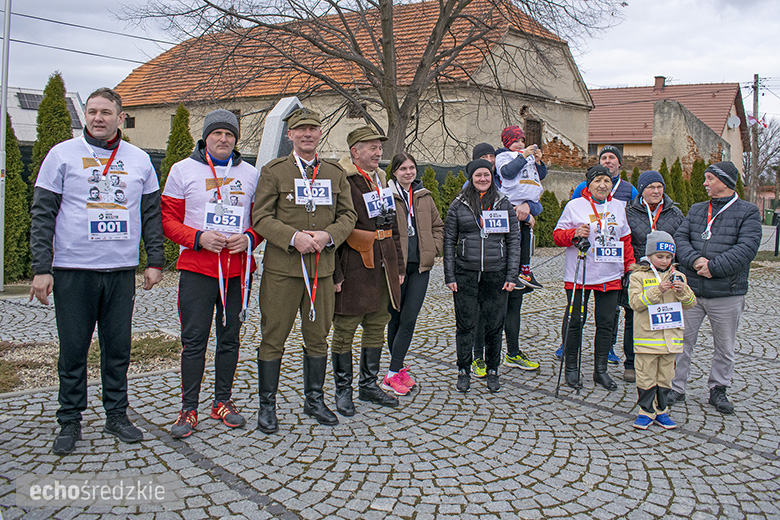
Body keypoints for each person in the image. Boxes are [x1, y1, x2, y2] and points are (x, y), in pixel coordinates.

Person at [29, 87, 164, 455]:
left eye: (106, 112)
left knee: (117, 349)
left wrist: (155, 260)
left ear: (121, 118)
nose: (98, 118)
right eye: (92, 111)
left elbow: (151, 214)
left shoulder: (138, 160)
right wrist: (42, 268)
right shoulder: (62, 155)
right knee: (73, 350)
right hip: (74, 269)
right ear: (85, 116)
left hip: (120, 272)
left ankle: (116, 415)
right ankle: (70, 420)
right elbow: (42, 215)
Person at [252, 107, 357, 433]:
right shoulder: (275, 172)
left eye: (313, 128)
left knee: (318, 339)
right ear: (290, 135)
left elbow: (348, 216)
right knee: (273, 338)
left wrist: (329, 236)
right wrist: (292, 237)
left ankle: (314, 400)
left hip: (321, 271)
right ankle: (266, 406)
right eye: (301, 130)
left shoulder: (334, 173)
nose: (307, 134)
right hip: (282, 271)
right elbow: (260, 218)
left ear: (320, 133)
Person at [162, 109, 262, 439]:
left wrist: (248, 239)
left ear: (236, 140)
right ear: (206, 137)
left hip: (236, 272)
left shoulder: (250, 173)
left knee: (229, 339)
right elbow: (167, 220)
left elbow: (260, 220)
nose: (223, 139)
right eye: (217, 133)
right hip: (198, 269)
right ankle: (188, 407)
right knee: (194, 342)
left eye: (229, 135)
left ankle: (222, 401)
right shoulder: (182, 170)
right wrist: (197, 238)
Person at [670, 161, 762, 414]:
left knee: (724, 345)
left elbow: (747, 248)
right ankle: (676, 387)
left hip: (726, 291)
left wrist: (715, 267)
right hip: (692, 291)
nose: (705, 183)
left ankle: (718, 388)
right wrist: (696, 261)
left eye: (709, 178)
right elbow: (680, 238)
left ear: (725, 181)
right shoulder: (698, 209)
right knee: (682, 341)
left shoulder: (748, 211)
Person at [331, 126, 404, 411]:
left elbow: (392, 226)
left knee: (376, 325)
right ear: (355, 152)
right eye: (371, 147)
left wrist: (396, 264)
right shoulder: (344, 181)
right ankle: (342, 390)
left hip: (382, 266)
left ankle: (368, 386)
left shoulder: (381, 179)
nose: (377, 152)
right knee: (345, 328)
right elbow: (334, 228)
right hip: (353, 266)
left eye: (379, 148)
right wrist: (336, 273)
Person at [553, 165, 635, 391]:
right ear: (589, 184)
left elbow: (625, 239)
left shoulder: (618, 206)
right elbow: (557, 236)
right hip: (580, 273)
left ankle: (601, 370)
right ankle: (571, 368)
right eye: (598, 180)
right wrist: (574, 234)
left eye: (607, 181)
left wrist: (630, 266)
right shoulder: (574, 205)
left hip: (610, 273)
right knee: (575, 321)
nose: (602, 185)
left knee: (607, 323)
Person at [444, 159, 520, 393]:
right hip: (465, 272)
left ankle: (493, 369)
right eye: (478, 175)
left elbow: (514, 240)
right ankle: (464, 369)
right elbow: (448, 241)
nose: (483, 179)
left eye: (486, 175)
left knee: (494, 325)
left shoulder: (503, 203)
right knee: (465, 324)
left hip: (496, 273)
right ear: (471, 177)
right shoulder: (459, 204)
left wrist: (512, 274)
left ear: (492, 176)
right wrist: (450, 276)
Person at [384, 152, 444, 394]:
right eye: (403, 169)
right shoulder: (387, 196)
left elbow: (438, 226)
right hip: (396, 267)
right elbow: (383, 231)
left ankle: (392, 372)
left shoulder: (424, 197)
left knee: (409, 319)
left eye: (411, 168)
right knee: (395, 319)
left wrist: (433, 248)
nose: (408, 172)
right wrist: (393, 264)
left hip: (420, 267)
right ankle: (395, 371)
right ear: (394, 172)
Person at [628, 231, 696, 430]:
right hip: (647, 339)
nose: (665, 261)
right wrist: (659, 290)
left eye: (668, 257)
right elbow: (635, 303)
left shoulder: (679, 276)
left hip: (670, 341)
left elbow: (691, 303)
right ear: (649, 256)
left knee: (666, 377)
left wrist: (682, 291)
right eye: (660, 256)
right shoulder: (638, 276)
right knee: (646, 376)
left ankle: (662, 410)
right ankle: (646, 411)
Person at [622, 171, 684, 382]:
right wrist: (631, 267)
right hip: (640, 273)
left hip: (667, 273)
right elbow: (625, 240)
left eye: (659, 187)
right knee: (634, 318)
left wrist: (678, 270)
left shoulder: (674, 213)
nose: (656, 191)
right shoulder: (630, 211)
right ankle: (631, 363)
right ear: (642, 190)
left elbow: (681, 243)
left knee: (666, 315)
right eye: (651, 187)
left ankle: (665, 358)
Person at [494, 126, 545, 289]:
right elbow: (508, 172)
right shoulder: (504, 156)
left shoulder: (528, 157)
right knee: (513, 240)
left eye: (523, 140)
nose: (520, 144)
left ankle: (524, 270)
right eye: (516, 141)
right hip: (512, 201)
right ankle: (512, 272)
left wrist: (538, 161)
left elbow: (541, 175)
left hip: (529, 200)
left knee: (525, 237)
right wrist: (523, 156)